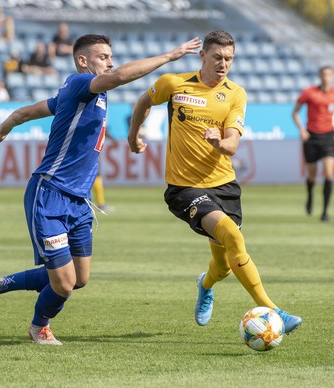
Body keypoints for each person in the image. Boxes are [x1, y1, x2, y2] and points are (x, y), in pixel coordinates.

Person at [0, 34, 202, 345]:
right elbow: (119, 77)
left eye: (111, 55)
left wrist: (3, 128)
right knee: (63, 284)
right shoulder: (79, 83)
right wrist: (170, 56)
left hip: (79, 201)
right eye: (103, 56)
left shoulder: (80, 94)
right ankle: (39, 327)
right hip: (50, 194)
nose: (110, 61)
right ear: (83, 61)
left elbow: (26, 112)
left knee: (79, 279)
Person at [127, 31, 302, 334]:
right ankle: (274, 311)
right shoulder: (174, 84)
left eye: (229, 59)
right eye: (218, 57)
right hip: (184, 188)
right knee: (233, 237)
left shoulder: (235, 94)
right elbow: (144, 100)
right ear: (203, 56)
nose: (224, 64)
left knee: (222, 265)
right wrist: (133, 136)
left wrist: (219, 143)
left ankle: (205, 284)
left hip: (224, 186)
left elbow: (232, 144)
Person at [292, 65, 334, 222]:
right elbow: (295, 112)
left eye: (329, 75)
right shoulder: (309, 92)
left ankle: (325, 211)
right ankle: (310, 195)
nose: (326, 77)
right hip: (311, 137)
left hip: (328, 137)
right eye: (324, 74)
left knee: (329, 173)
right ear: (320, 76)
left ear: (333, 77)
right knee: (312, 175)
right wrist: (301, 130)